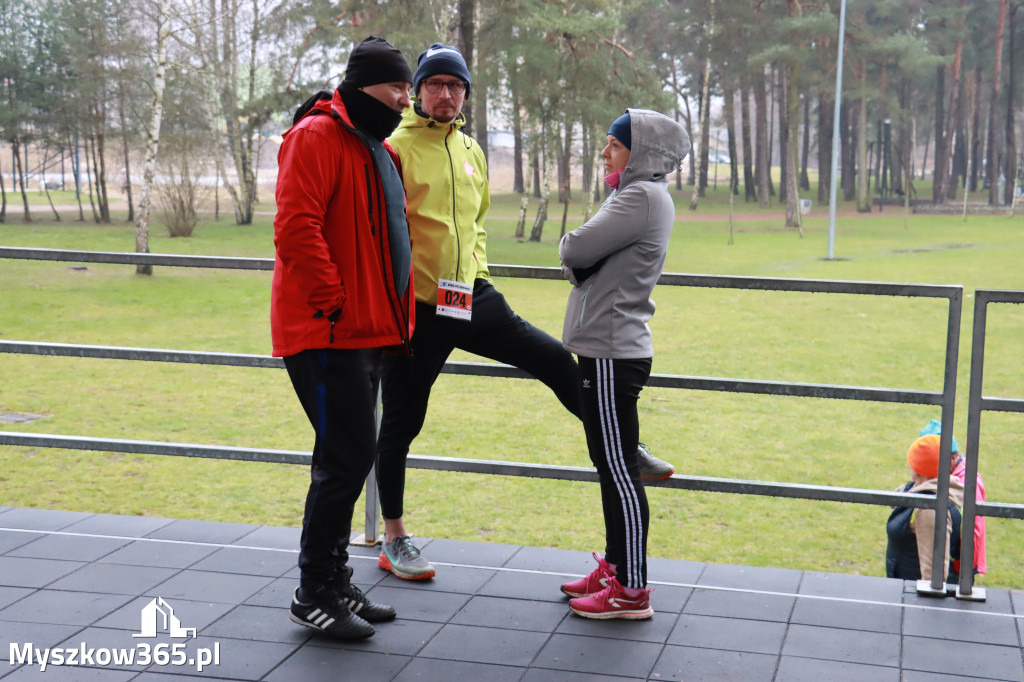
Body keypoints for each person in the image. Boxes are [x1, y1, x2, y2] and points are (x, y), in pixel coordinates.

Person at [374, 43, 677, 581]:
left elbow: (477, 224)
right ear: (418, 91)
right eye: (435, 84)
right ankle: (394, 537)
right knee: (402, 419)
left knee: (556, 361)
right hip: (417, 309)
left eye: (455, 85)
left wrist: (479, 272)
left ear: (465, 93)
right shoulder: (393, 150)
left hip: (470, 297)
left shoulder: (471, 150)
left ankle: (627, 447)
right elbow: (385, 234)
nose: (445, 94)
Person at [271, 35, 416, 639]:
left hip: (368, 333)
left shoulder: (375, 147)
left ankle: (333, 578)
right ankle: (314, 590)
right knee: (346, 458)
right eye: (397, 87)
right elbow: (296, 227)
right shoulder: (317, 137)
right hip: (328, 332)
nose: (405, 99)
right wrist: (335, 303)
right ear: (363, 86)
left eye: (408, 88)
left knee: (347, 455)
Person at [558, 109, 690, 619]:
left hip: (614, 352)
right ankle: (616, 567)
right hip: (606, 350)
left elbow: (575, 246)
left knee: (619, 470)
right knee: (611, 465)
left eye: (614, 144)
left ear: (643, 152)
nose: (604, 154)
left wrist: (576, 257)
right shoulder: (636, 195)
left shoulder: (639, 196)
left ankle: (630, 590)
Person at [885, 434, 965, 584]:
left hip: (915, 596)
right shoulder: (926, 489)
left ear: (917, 467)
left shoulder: (929, 509)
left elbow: (934, 574)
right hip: (907, 587)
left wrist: (926, 604)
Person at [918, 418, 986, 576]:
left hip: (957, 564)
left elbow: (973, 529)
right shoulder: (946, 474)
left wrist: (961, 565)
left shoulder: (968, 483)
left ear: (953, 457)